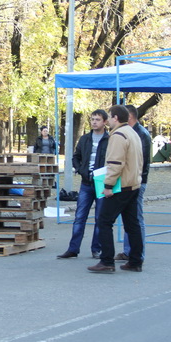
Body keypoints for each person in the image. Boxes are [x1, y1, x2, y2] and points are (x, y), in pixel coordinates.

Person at [88, 105, 144, 273]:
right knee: (132, 224)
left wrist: (108, 186)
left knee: (104, 222)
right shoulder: (132, 132)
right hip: (133, 184)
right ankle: (135, 261)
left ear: (115, 118)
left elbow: (115, 163)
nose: (109, 120)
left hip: (121, 186)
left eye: (110, 117)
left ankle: (106, 261)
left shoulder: (118, 135)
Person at [57, 109, 109, 259]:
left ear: (104, 122)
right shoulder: (85, 139)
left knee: (100, 217)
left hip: (101, 182)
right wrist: (80, 170)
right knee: (80, 216)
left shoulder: (109, 139)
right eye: (92, 119)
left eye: (97, 119)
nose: (94, 122)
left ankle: (96, 249)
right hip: (86, 183)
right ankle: (73, 248)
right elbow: (76, 157)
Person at [115, 105, 151, 262]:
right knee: (130, 218)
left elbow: (138, 161)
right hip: (131, 180)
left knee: (135, 218)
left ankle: (136, 253)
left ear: (129, 117)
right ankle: (129, 251)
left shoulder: (139, 133)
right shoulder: (134, 132)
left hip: (136, 181)